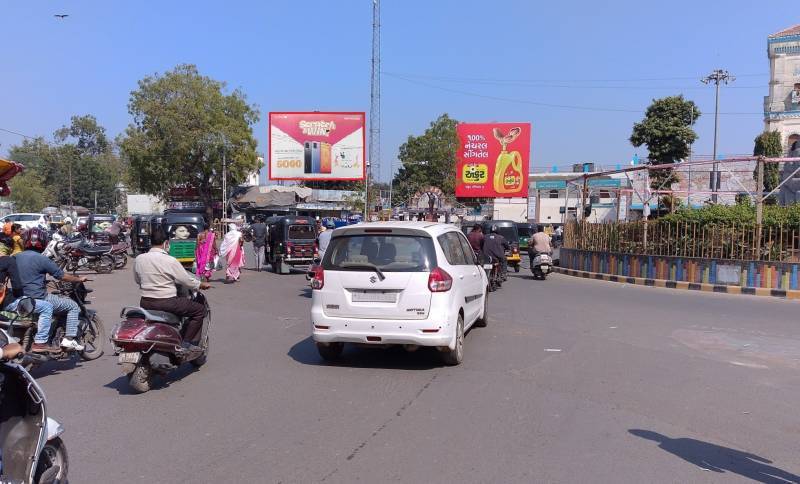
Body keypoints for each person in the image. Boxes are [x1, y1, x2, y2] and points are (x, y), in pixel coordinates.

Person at [8, 228, 88, 353]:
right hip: (39, 298)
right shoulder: (42, 259)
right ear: (44, 242)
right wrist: (78, 279)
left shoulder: (14, 258)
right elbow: (61, 276)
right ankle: (69, 338)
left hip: (19, 299)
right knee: (73, 306)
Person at [133, 224, 210, 349]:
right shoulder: (170, 260)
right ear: (166, 243)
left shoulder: (139, 259)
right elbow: (185, 280)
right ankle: (186, 343)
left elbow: (138, 280)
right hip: (167, 302)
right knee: (199, 310)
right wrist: (200, 284)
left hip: (145, 302)